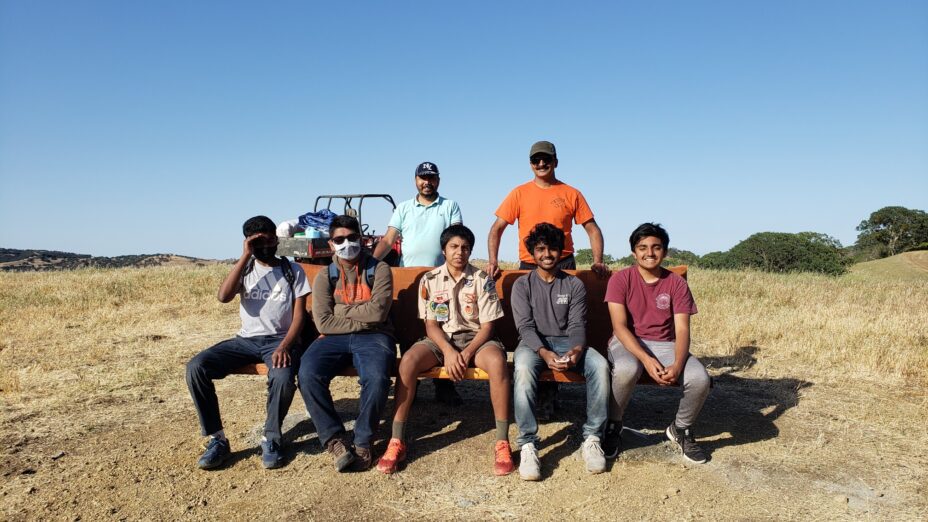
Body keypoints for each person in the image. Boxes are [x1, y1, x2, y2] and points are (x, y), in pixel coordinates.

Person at [376, 224, 514, 476]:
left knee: (497, 363)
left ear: (470, 251)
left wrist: (467, 352)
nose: (459, 252)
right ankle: (396, 439)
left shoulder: (482, 280)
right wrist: (449, 352)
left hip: (476, 340)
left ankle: (502, 441)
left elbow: (487, 327)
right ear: (443, 249)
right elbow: (431, 325)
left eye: (465, 247)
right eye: (453, 246)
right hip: (441, 340)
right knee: (407, 362)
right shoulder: (429, 280)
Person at [185, 215, 311, 470]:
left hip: (279, 340)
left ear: (277, 238)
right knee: (196, 367)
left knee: (283, 378)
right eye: (258, 242)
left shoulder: (292, 270)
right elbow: (223, 296)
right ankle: (217, 439)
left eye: (270, 239)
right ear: (248, 243)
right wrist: (245, 257)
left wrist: (285, 345)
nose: (266, 245)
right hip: (245, 341)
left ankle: (272, 438)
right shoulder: (246, 269)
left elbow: (300, 316)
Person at [604, 223, 711, 464]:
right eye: (642, 248)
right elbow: (619, 327)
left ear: (665, 251)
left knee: (700, 378)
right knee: (626, 369)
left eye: (656, 247)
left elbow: (682, 329)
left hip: (666, 343)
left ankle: (680, 428)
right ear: (634, 252)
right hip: (627, 342)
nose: (649, 253)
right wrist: (646, 359)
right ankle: (613, 424)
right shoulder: (621, 279)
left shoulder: (676, 283)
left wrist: (677, 363)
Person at [511, 223, 610, 480]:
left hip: (568, 342)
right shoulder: (522, 285)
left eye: (553, 249)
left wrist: (576, 350)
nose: (547, 254)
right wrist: (544, 353)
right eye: (540, 249)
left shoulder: (574, 285)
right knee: (521, 368)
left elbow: (577, 324)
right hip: (535, 345)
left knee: (599, 366)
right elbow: (525, 327)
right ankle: (528, 444)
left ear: (561, 252)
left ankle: (592, 437)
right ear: (532, 253)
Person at [298, 215, 395, 472]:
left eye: (352, 238)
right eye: (339, 239)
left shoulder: (379, 269)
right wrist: (362, 317)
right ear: (331, 244)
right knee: (308, 373)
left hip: (375, 337)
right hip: (333, 338)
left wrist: (341, 311)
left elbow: (379, 314)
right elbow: (323, 323)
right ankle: (334, 439)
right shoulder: (325, 276)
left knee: (376, 378)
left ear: (361, 240)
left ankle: (363, 440)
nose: (346, 243)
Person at [372, 161, 465, 406]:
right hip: (410, 278)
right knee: (409, 328)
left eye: (431, 178)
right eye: (423, 177)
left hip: (441, 280)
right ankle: (409, 381)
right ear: (415, 180)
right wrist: (369, 262)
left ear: (438, 180)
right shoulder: (403, 208)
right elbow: (389, 238)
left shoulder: (449, 206)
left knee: (443, 327)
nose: (427, 182)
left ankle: (444, 385)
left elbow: (455, 237)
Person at [486, 140, 609, 279]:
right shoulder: (518, 193)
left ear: (555, 162)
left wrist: (598, 262)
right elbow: (496, 229)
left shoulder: (572, 193)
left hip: (563, 264)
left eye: (546, 159)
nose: (541, 164)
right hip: (530, 265)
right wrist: (493, 261)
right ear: (531, 164)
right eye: (536, 160)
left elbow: (593, 230)